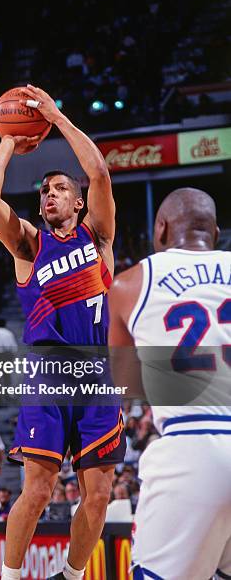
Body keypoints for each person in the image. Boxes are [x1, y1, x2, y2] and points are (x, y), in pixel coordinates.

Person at [0, 84, 125, 580]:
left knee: (99, 497)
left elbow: (99, 171)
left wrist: (57, 119)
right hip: (49, 373)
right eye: (45, 190)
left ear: (79, 204)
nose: (51, 194)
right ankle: (12, 577)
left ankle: (72, 575)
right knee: (37, 490)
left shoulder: (98, 237)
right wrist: (7, 139)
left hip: (97, 372)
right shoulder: (27, 244)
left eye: (61, 188)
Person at [108, 188, 231, 579]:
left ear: (161, 229)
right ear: (214, 231)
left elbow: (127, 385)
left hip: (193, 445)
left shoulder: (129, 284)